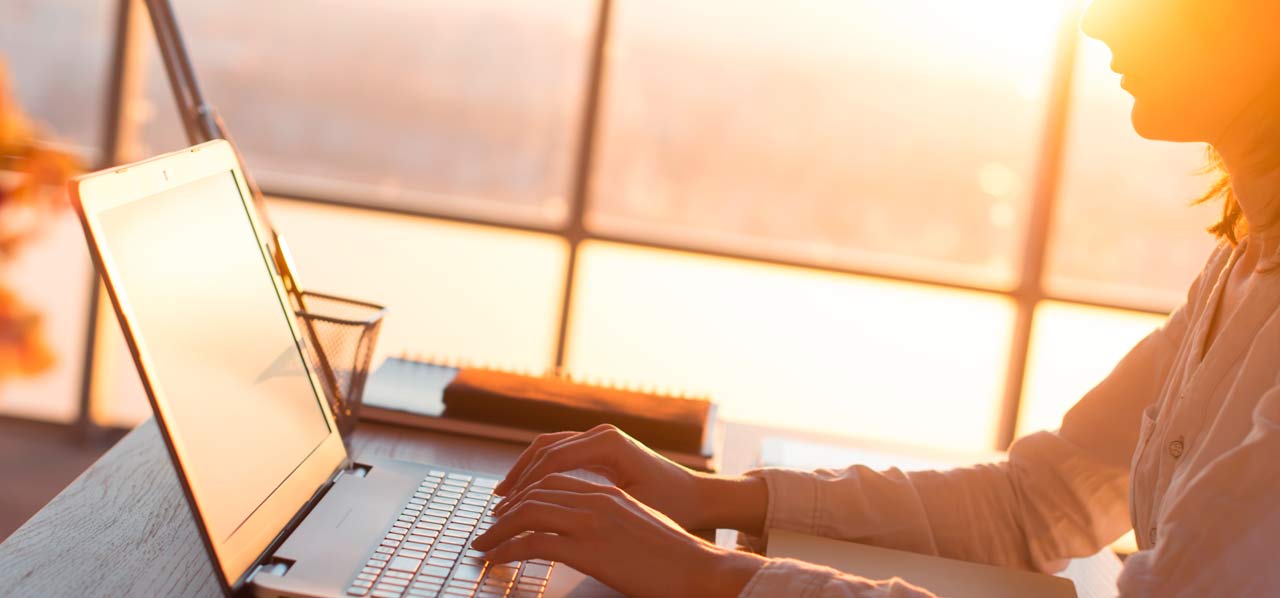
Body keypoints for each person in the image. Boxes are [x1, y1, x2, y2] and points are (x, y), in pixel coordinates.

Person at [471, 0, 1280, 594]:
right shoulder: (1240, 262)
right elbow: (1036, 506)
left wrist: (704, 572)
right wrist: (708, 497)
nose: (1099, 23)